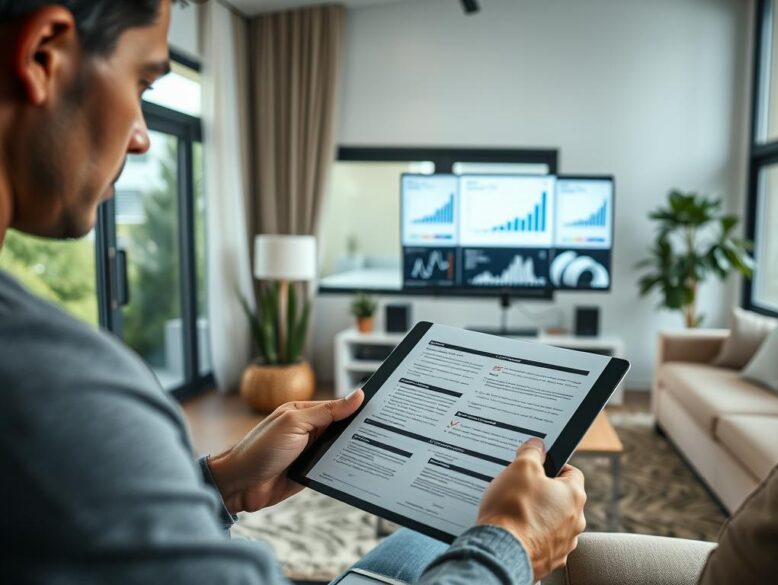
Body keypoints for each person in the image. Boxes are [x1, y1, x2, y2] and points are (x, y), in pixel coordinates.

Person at [0, 1, 587, 583]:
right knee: (459, 534)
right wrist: (513, 544)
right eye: (143, 83)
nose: (142, 139)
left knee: (424, 537)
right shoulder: (58, 390)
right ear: (43, 54)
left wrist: (224, 482)